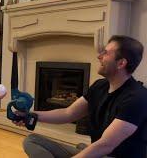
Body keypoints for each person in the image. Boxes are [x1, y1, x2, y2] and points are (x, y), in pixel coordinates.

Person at [14, 35, 147, 158]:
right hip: (96, 153)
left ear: (121, 63)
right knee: (32, 141)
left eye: (105, 53)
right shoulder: (100, 86)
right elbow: (68, 113)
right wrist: (31, 115)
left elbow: (105, 145)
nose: (99, 56)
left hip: (109, 155)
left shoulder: (137, 98)